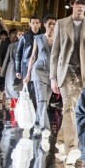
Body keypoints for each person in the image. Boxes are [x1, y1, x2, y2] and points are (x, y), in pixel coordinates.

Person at [50, 0, 85, 165]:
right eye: (77, 3)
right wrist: (52, 77)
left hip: (82, 72)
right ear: (72, 5)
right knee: (69, 107)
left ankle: (61, 141)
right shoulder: (62, 24)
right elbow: (54, 53)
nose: (80, 7)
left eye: (83, 4)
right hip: (65, 71)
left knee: (69, 106)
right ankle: (72, 148)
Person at [23, 14, 57, 150]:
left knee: (45, 102)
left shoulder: (58, 40)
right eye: (49, 24)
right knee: (41, 100)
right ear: (44, 25)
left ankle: (37, 124)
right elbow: (33, 57)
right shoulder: (38, 38)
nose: (52, 26)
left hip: (51, 74)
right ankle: (45, 129)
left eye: (54, 24)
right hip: (38, 71)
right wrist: (28, 74)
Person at [15, 16, 41, 104]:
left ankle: (36, 109)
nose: (35, 25)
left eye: (37, 23)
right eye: (33, 23)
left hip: (39, 65)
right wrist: (18, 70)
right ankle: (28, 108)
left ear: (40, 24)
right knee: (28, 88)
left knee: (37, 89)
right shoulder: (24, 37)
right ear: (30, 24)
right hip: (26, 66)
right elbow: (18, 54)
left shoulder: (42, 37)